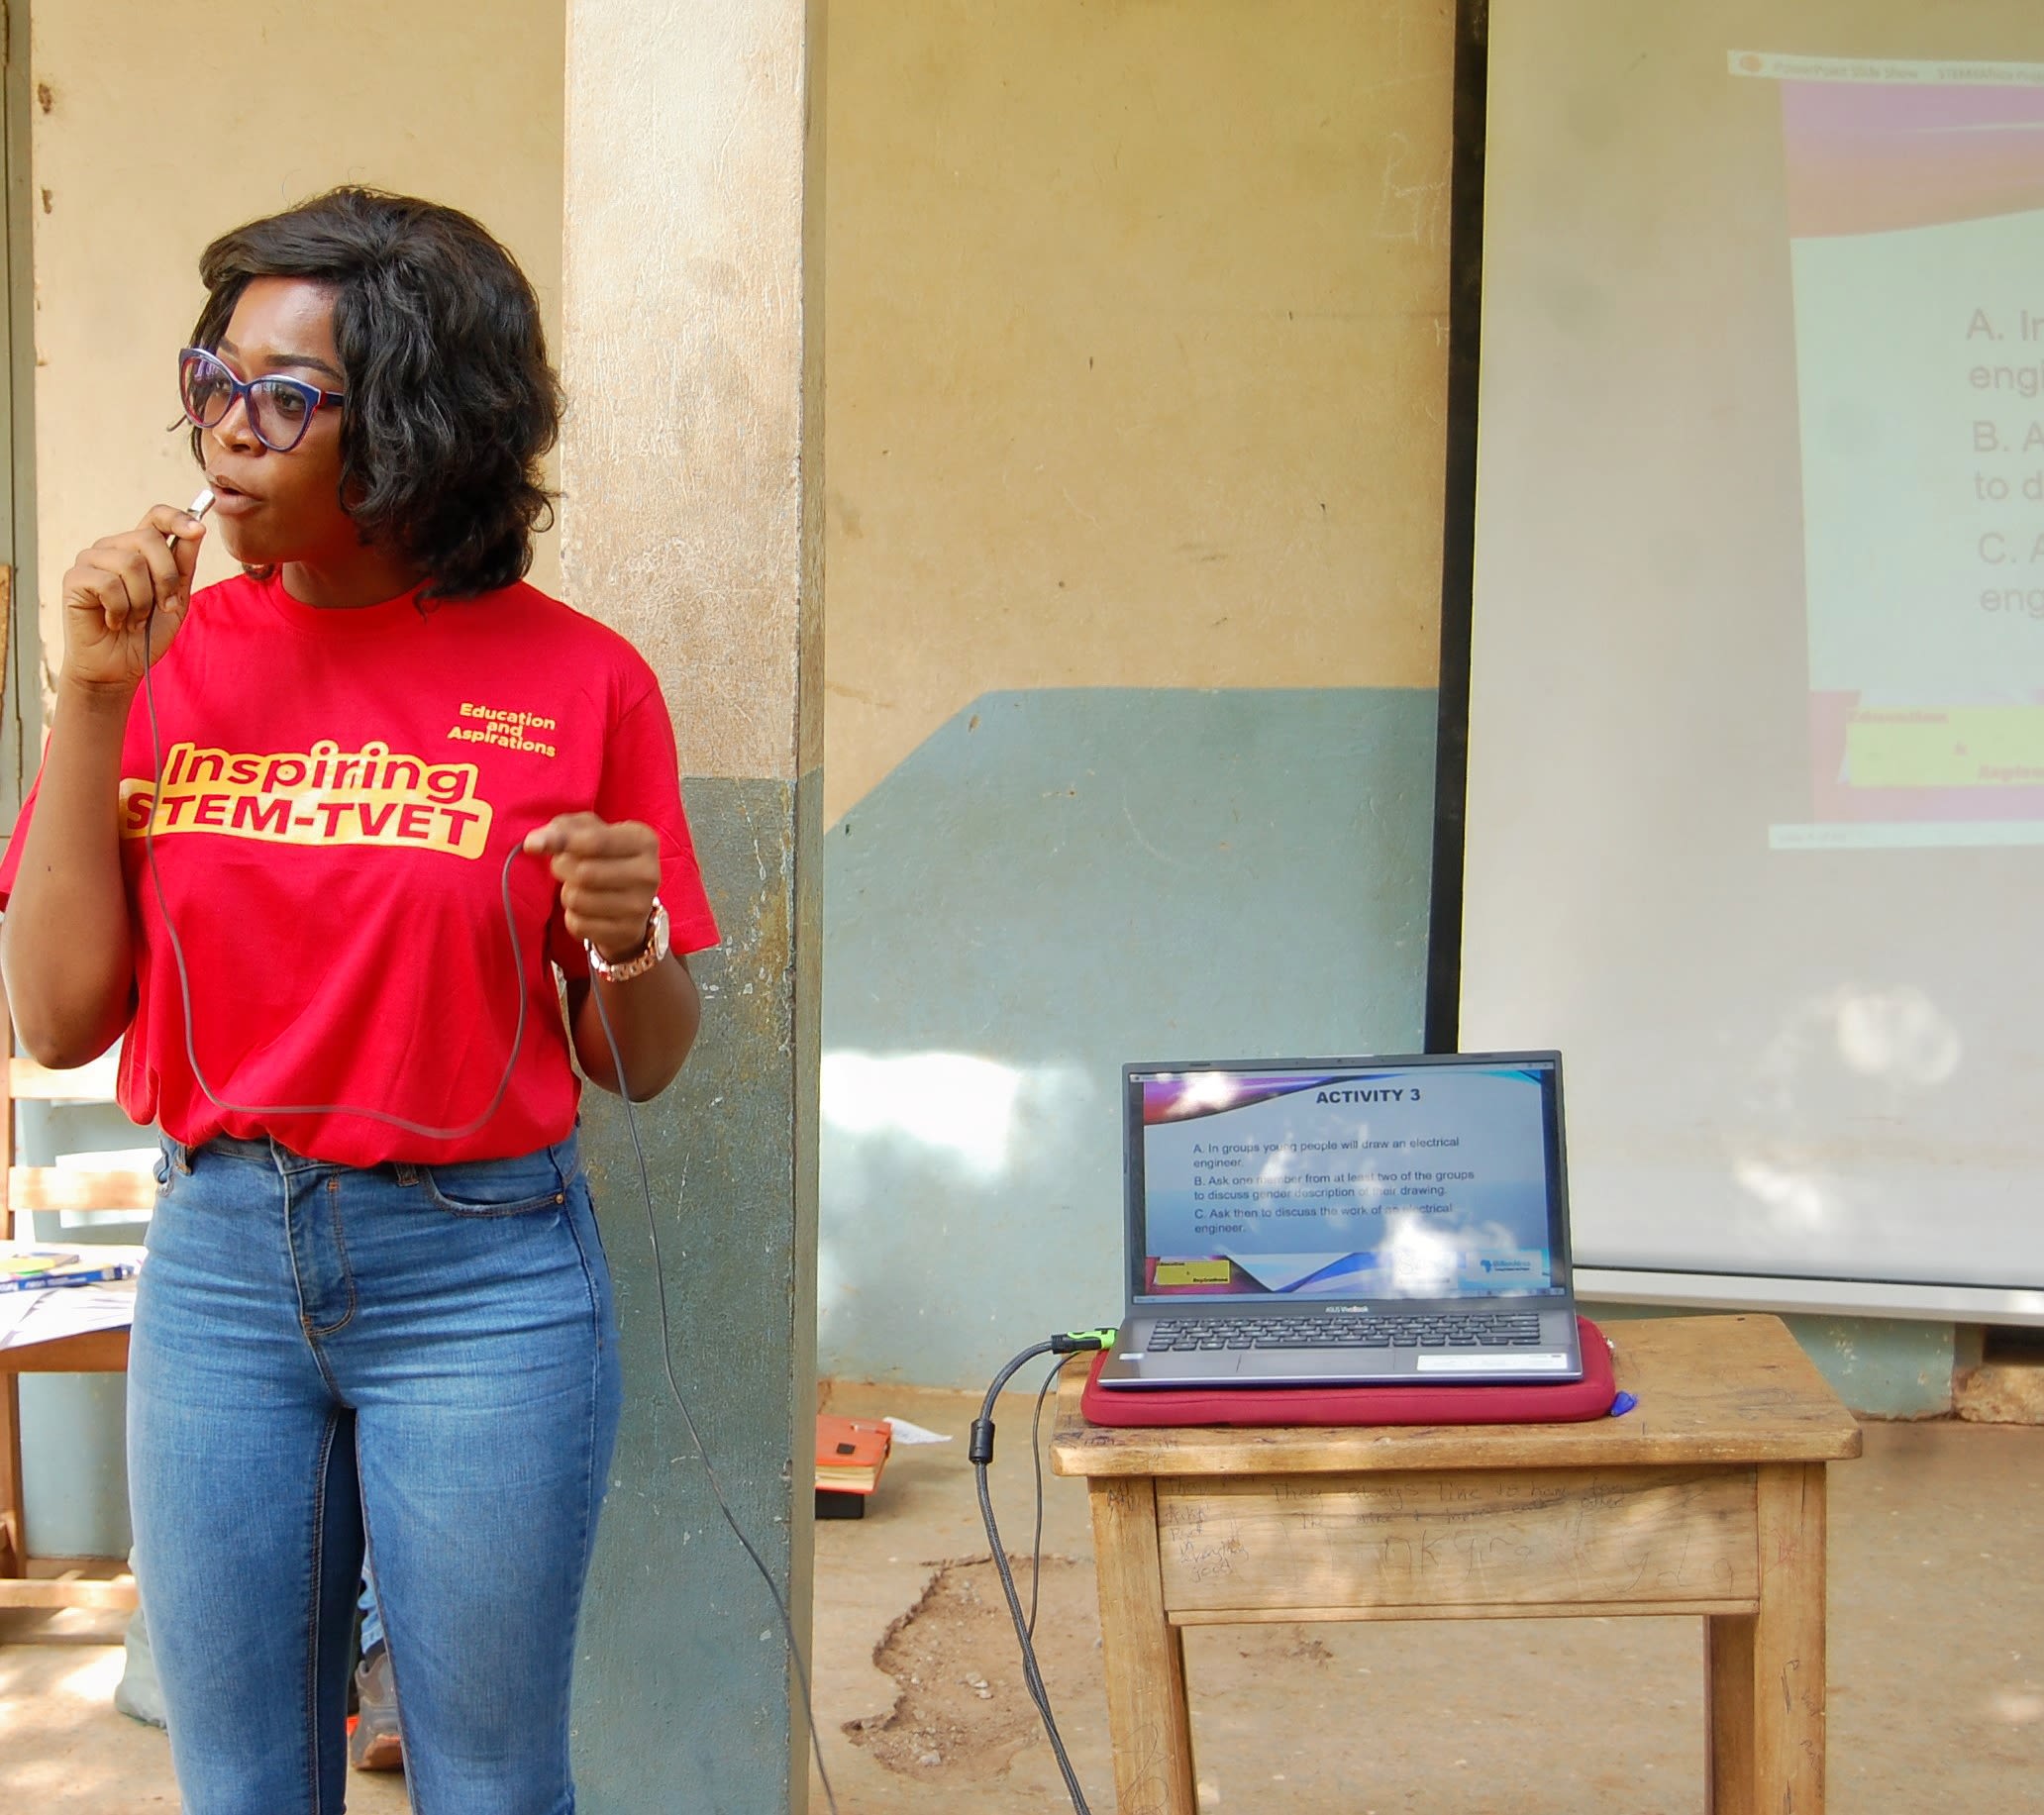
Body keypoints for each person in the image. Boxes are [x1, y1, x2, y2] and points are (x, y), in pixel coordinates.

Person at [0, 188, 720, 1814]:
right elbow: (54, 1019)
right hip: (219, 1270)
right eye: (213, 379)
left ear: (412, 431)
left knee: (487, 1781)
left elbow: (643, 1063)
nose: (227, 432)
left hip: (487, 1279)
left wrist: (625, 942)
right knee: (244, 1784)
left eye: (285, 397)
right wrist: (92, 702)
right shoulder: (161, 657)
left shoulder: (580, 679)